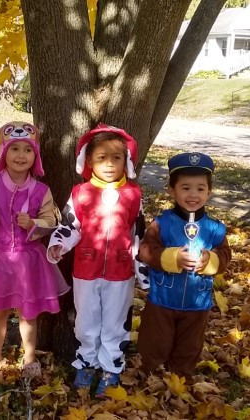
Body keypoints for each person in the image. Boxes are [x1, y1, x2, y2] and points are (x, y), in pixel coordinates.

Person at [0, 121, 70, 379]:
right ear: (3, 152)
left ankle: (29, 356)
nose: (21, 155)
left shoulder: (40, 190)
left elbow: (51, 220)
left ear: (35, 155)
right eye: (14, 149)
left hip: (27, 260)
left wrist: (35, 224)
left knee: (27, 313)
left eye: (27, 150)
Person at [47, 123, 148, 397]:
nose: (109, 164)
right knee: (86, 320)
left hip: (120, 272)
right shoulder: (81, 193)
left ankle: (111, 367)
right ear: (88, 161)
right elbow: (71, 224)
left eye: (116, 157)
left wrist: (142, 269)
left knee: (116, 321)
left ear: (126, 160)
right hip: (86, 270)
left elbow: (138, 232)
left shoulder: (133, 194)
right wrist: (59, 244)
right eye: (101, 158)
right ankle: (87, 363)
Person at [137, 151, 232, 378]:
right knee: (155, 340)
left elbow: (225, 254)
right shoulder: (162, 223)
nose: (193, 195)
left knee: (189, 344)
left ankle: (180, 375)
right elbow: (146, 250)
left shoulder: (215, 228)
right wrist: (172, 258)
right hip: (163, 298)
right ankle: (150, 372)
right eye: (185, 188)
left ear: (209, 192)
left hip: (197, 302)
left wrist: (212, 260)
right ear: (172, 190)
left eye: (200, 189)